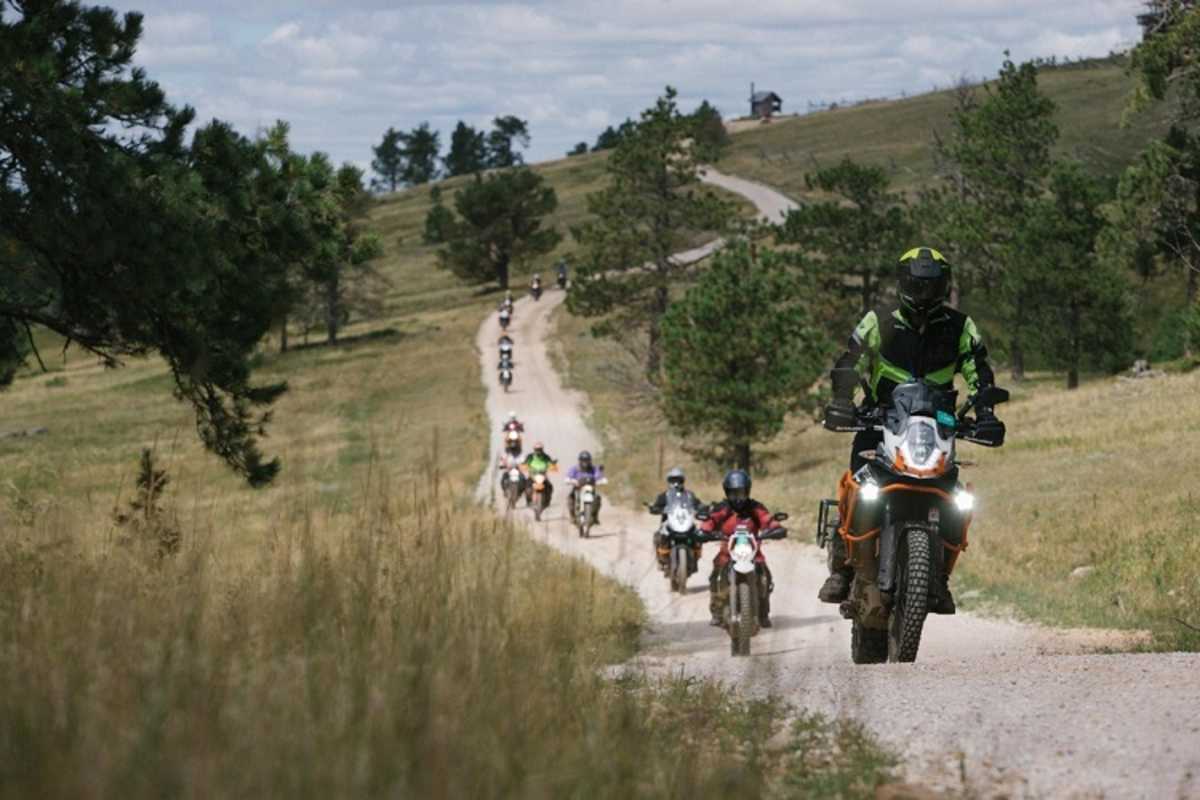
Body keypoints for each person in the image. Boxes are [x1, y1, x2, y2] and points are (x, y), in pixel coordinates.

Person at [819, 246, 1005, 613]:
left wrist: (985, 411)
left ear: (944, 286)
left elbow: (978, 370)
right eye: (917, 286)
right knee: (857, 483)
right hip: (879, 421)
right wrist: (843, 400)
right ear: (903, 283)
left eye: (931, 287)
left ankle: (939, 577)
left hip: (936, 428)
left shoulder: (960, 326)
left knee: (955, 498)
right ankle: (842, 567)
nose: (923, 294)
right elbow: (849, 362)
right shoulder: (878, 321)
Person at [699, 469, 783, 628]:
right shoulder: (722, 508)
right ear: (727, 492)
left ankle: (763, 613)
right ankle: (717, 612)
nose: (738, 497)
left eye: (741, 493)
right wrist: (704, 531)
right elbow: (710, 521)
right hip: (727, 553)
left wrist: (775, 528)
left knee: (765, 577)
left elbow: (767, 519)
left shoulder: (755, 507)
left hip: (753, 553)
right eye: (733, 493)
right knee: (715, 576)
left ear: (748, 491)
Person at [648, 467, 703, 568]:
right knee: (658, 535)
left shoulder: (689, 495)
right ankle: (660, 557)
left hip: (686, 522)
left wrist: (702, 508)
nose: (676, 483)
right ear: (669, 481)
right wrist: (654, 508)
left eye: (678, 480)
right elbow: (657, 506)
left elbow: (698, 504)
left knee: (699, 534)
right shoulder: (664, 495)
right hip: (669, 523)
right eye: (673, 480)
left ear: (682, 481)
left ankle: (696, 555)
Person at [565, 450, 605, 523]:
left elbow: (599, 476)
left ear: (590, 461)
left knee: (598, 498)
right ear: (580, 461)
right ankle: (572, 516)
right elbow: (568, 477)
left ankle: (595, 516)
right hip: (577, 489)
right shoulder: (575, 469)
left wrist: (602, 480)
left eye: (587, 460)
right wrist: (571, 481)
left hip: (590, 489)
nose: (585, 462)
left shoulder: (594, 469)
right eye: (583, 460)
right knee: (570, 499)